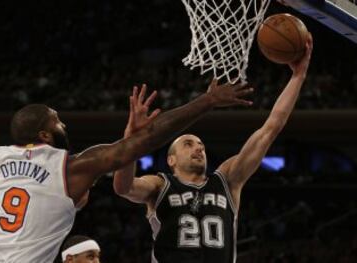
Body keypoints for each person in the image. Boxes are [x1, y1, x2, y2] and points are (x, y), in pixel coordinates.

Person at [0, 80, 252, 262]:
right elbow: (147, 141)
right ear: (44, 134)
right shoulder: (68, 167)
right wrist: (207, 101)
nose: (64, 125)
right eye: (58, 122)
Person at [113, 35, 313, 263]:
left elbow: (270, 128)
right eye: (188, 144)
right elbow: (123, 187)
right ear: (171, 160)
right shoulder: (160, 185)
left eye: (201, 146)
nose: (198, 149)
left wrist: (298, 76)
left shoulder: (227, 181)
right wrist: (130, 141)